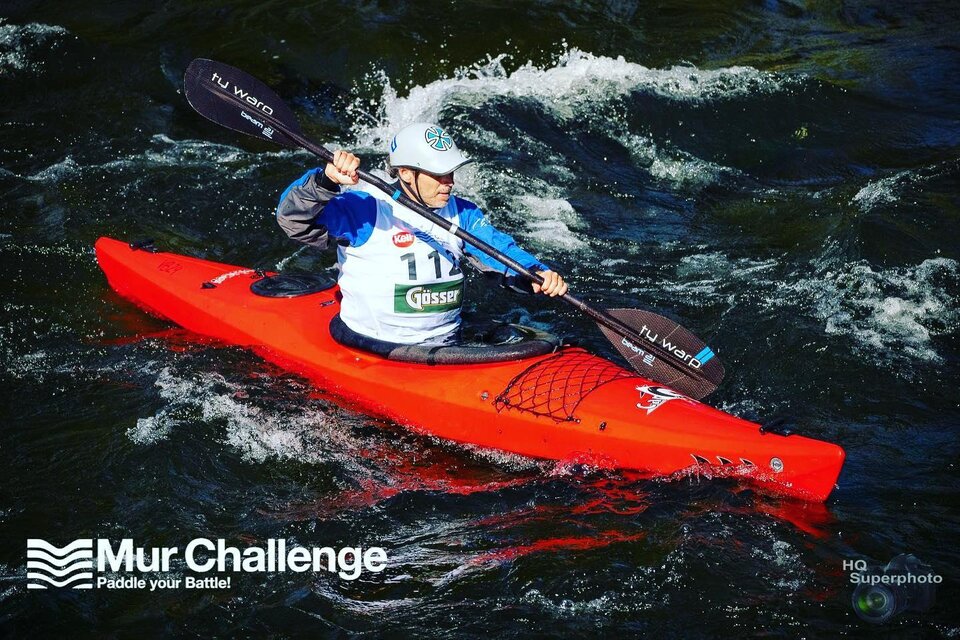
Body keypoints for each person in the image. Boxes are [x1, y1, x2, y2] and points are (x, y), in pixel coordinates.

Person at [276, 122, 567, 346]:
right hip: (374, 343)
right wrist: (324, 181)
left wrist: (535, 272)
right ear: (405, 173)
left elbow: (500, 250)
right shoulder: (366, 208)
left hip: (445, 342)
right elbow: (293, 219)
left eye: (451, 172)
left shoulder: (462, 213)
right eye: (438, 174)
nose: (449, 182)